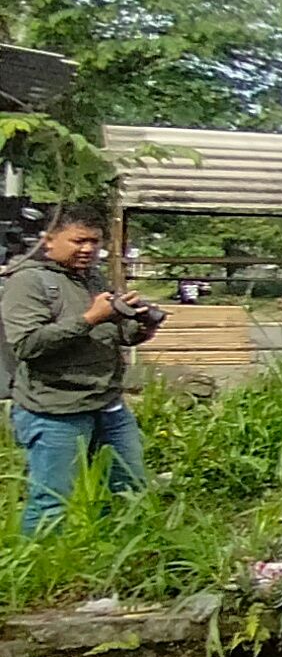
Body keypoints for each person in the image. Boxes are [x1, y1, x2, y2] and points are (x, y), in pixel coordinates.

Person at [2, 204, 162, 534]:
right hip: (55, 410)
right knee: (52, 502)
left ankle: (117, 553)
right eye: (78, 241)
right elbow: (27, 345)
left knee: (130, 490)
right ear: (49, 240)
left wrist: (142, 325)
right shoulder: (29, 281)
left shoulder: (92, 278)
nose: (88, 249)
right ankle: (42, 564)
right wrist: (90, 317)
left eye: (94, 241)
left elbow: (114, 334)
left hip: (107, 404)